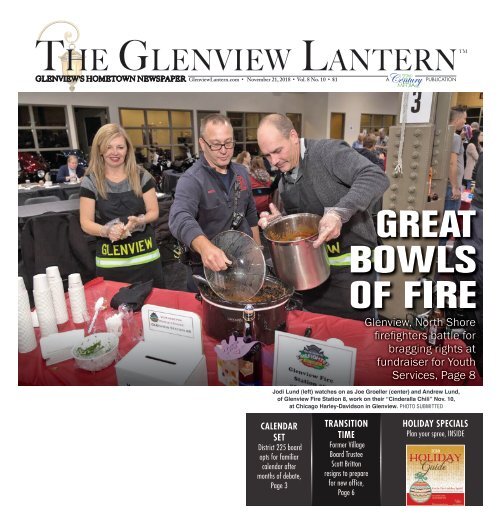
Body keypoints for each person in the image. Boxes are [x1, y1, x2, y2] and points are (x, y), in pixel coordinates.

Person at [257, 113, 389, 320]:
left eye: (277, 151)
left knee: (355, 339)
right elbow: (306, 218)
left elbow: (375, 176)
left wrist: (338, 213)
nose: (273, 162)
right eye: (267, 155)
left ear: (293, 136)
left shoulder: (327, 152)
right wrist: (281, 221)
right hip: (315, 275)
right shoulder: (285, 176)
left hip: (353, 274)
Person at [168, 114, 260, 292]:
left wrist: (257, 252)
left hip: (241, 264)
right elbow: (179, 217)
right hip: (204, 270)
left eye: (228, 143)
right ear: (202, 144)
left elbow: (250, 213)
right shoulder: (191, 180)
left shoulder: (241, 173)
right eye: (216, 144)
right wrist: (205, 248)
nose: (224, 150)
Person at [79, 123, 164, 287]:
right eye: (109, 147)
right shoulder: (91, 182)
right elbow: (85, 223)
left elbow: (153, 212)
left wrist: (139, 221)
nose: (115, 152)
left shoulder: (142, 176)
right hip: (111, 266)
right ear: (100, 150)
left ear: (127, 150)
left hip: (146, 261)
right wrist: (106, 230)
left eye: (120, 147)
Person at [440, 106, 467, 247]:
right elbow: (452, 163)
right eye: (464, 118)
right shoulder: (454, 137)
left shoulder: (443, 134)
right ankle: (439, 255)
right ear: (457, 120)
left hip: (444, 185)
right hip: (451, 187)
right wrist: (455, 187)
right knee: (448, 223)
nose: (465, 121)